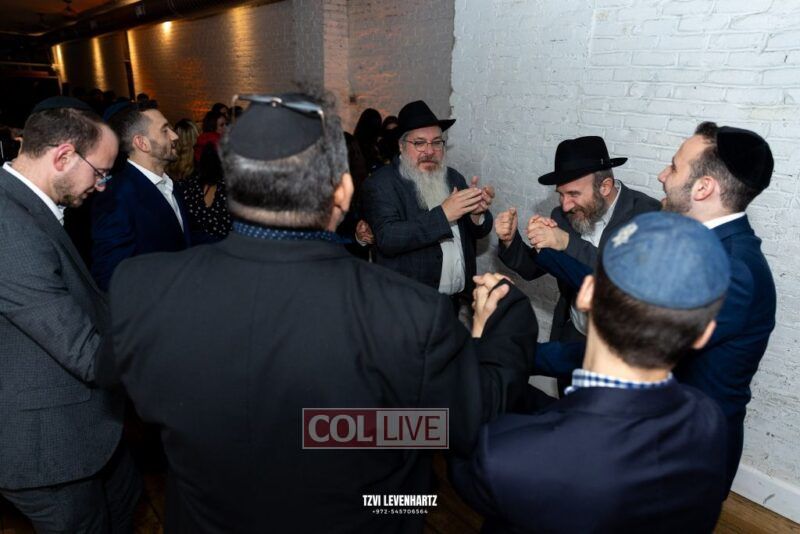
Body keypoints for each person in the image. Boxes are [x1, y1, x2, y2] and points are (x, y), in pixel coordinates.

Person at [100, 92, 537, 533]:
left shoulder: (140, 287)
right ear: (343, 192)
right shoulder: (407, 312)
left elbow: (149, 397)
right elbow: (460, 423)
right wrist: (504, 320)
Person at [517, 122, 777, 490]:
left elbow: (629, 352)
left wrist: (519, 353)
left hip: (680, 451)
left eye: (674, 166)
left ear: (703, 188)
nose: (662, 175)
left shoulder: (732, 271)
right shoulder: (691, 242)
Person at [452, 212, 730, 533]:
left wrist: (483, 341)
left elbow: (462, 444)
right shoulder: (708, 420)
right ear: (703, 335)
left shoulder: (508, 460)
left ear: (585, 294)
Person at [0, 96, 140, 532]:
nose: (101, 186)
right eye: (100, 173)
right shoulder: (9, 227)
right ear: (63, 156)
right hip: (46, 449)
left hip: (85, 425)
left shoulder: (27, 204)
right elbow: (84, 352)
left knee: (125, 502)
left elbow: (81, 300)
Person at [495, 136, 661, 344]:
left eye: (573, 194)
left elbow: (626, 282)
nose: (565, 205)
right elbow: (533, 270)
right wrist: (511, 240)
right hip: (574, 333)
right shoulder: (563, 215)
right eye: (561, 194)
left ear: (604, 187)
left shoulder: (648, 216)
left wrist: (566, 242)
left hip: (621, 344)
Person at [361, 100, 495, 309]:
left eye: (436, 142)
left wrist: (476, 215)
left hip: (453, 303)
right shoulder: (381, 183)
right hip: (407, 304)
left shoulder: (453, 177)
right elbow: (388, 237)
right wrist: (444, 215)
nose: (430, 151)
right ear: (401, 145)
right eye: (420, 143)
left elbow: (478, 232)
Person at [91, 100, 189, 290]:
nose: (175, 136)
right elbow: (111, 276)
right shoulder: (115, 197)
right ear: (142, 143)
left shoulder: (169, 184)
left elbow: (186, 239)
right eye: (165, 130)